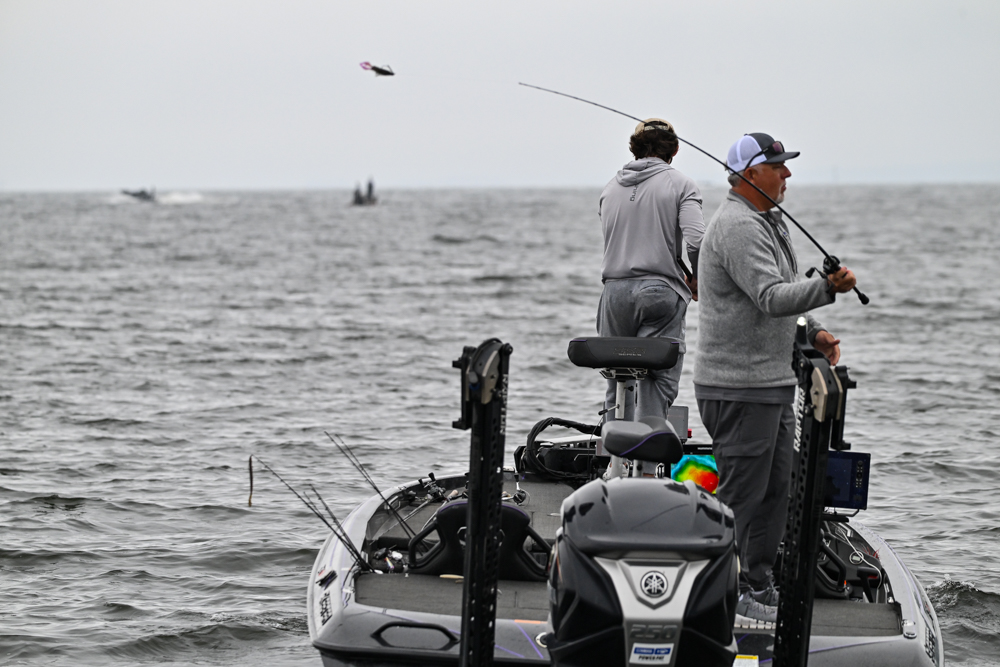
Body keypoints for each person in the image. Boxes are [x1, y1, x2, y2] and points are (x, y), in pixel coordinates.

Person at [693, 133, 857, 621]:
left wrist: (815, 330)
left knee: (775, 492)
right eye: (778, 165)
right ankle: (725, 595)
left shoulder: (768, 221)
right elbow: (770, 297)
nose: (787, 173)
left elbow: (783, 297)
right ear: (751, 174)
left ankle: (757, 585)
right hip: (738, 386)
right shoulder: (738, 227)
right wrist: (826, 288)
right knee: (743, 496)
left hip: (769, 384)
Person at [597, 118, 704, 422]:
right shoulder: (681, 184)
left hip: (614, 294)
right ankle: (647, 444)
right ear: (675, 149)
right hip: (659, 291)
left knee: (617, 379)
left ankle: (615, 443)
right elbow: (696, 240)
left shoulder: (610, 188)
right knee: (658, 380)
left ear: (634, 148)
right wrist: (698, 277)